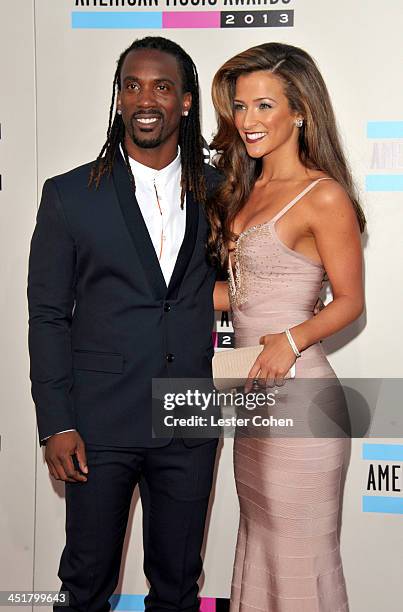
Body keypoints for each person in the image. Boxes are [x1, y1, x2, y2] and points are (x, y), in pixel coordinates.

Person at [28, 36, 221, 612]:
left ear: (185, 102)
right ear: (117, 99)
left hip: (189, 415)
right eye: (131, 85)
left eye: (162, 86)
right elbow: (47, 316)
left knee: (179, 585)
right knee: (85, 585)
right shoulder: (69, 195)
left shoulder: (220, 190)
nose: (145, 98)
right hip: (96, 424)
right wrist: (55, 421)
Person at [209, 43, 365, 611]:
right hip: (254, 400)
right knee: (261, 550)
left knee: (300, 558)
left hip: (301, 397)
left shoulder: (322, 194)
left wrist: (293, 339)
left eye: (263, 106)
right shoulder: (243, 191)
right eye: (240, 107)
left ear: (300, 111)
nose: (247, 121)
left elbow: (350, 301)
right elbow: (245, 294)